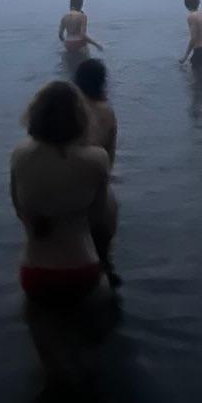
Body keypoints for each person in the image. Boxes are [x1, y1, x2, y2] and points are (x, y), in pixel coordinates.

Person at [10, 81, 112, 305]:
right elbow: (100, 217)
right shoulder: (97, 158)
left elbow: (19, 209)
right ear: (80, 116)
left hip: (34, 271)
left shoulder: (19, 155)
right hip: (82, 267)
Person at [73, 59, 119, 285]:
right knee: (102, 259)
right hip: (100, 194)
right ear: (102, 82)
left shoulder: (70, 111)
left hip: (69, 193)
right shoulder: (106, 112)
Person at [178, 0, 202, 69]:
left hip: (199, 51)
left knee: (197, 78)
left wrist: (185, 56)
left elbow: (193, 38)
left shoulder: (192, 16)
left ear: (186, 5)